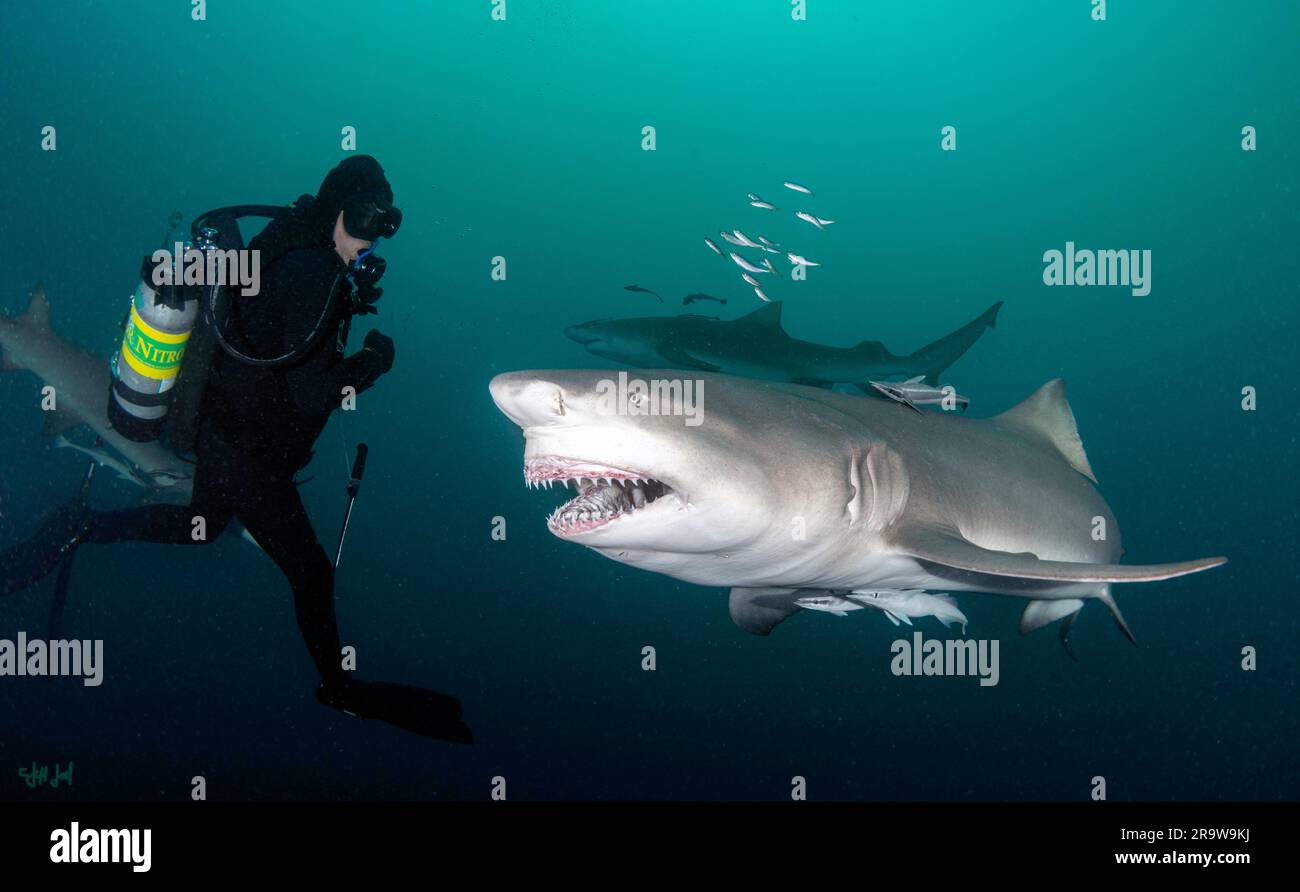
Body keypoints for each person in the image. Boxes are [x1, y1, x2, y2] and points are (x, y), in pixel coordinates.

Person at [1, 156, 470, 743]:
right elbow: (310, 393)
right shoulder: (315, 272)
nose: (369, 239)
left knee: (200, 526)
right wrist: (372, 363)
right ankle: (339, 687)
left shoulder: (287, 243)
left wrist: (343, 300)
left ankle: (83, 527)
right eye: (361, 220)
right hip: (252, 455)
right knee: (311, 574)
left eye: (382, 226)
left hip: (222, 435)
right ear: (336, 211)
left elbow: (274, 331)